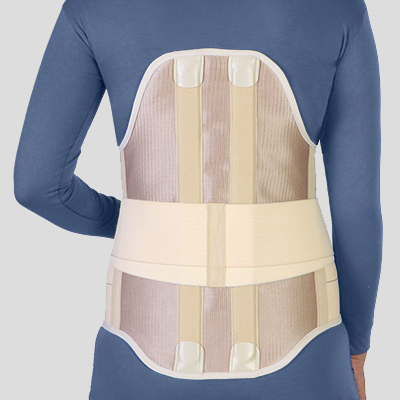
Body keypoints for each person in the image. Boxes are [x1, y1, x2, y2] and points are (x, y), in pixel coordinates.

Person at [14, 1, 382, 399]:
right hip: (305, 355)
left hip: (137, 359)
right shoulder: (336, 9)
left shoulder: (94, 8)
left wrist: (141, 224)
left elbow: (38, 185)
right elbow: (357, 212)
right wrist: (356, 347)